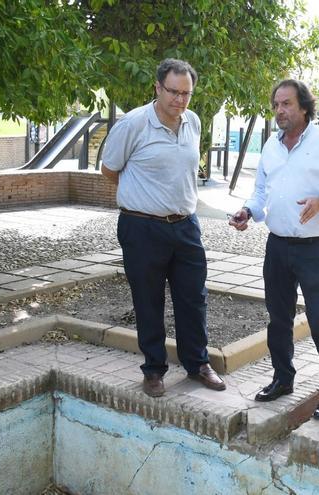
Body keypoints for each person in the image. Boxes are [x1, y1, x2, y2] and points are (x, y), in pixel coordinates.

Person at [228, 79, 319, 420]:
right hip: (277, 246)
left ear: (304, 107)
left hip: (315, 248)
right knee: (278, 319)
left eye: (286, 104)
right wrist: (247, 211)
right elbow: (261, 193)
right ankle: (283, 379)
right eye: (275, 105)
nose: (279, 111)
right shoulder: (270, 146)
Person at [100, 58, 225, 398]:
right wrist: (142, 198)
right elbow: (109, 170)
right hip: (142, 228)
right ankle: (154, 370)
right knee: (148, 301)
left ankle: (198, 363)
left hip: (186, 227)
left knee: (193, 298)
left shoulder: (193, 122)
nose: (180, 100)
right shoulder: (133, 125)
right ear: (157, 87)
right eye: (173, 92)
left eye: (186, 93)